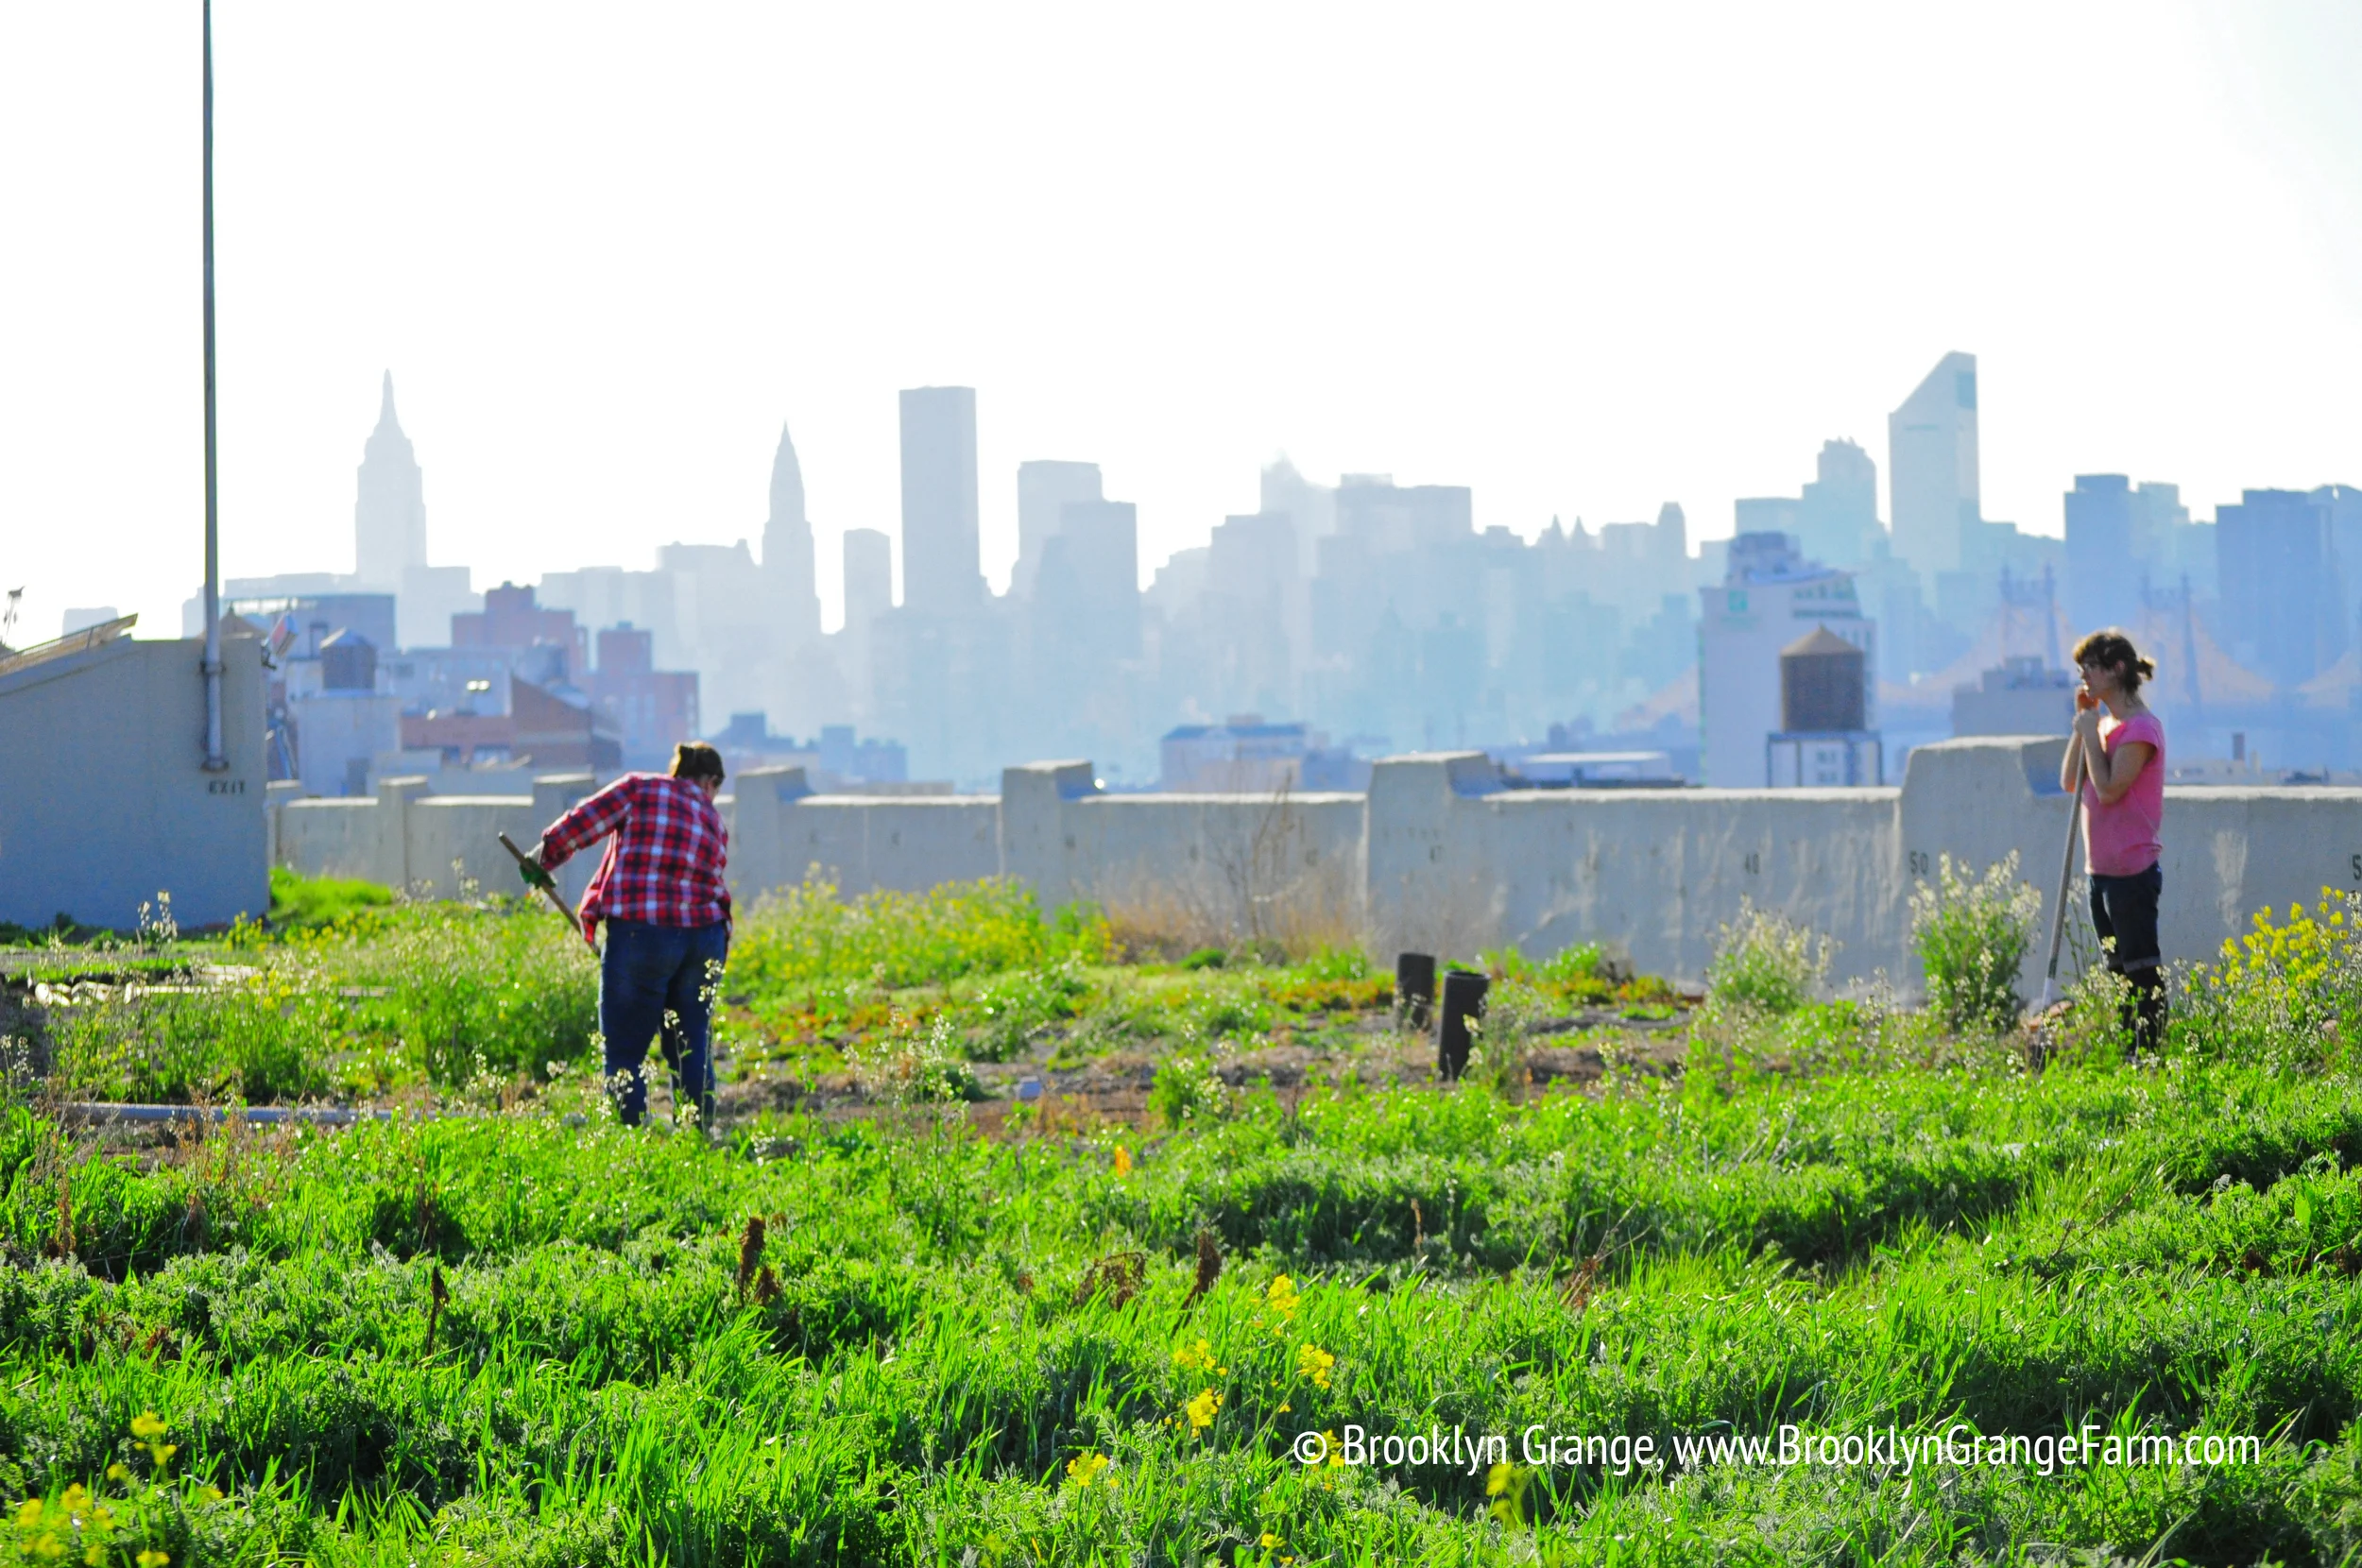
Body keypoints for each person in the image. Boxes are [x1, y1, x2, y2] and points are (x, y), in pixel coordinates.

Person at [521, 741, 731, 1128]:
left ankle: (630, 1140)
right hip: (705, 937)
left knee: (624, 1051)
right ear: (711, 781)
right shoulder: (713, 819)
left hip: (642, 934)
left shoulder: (641, 788)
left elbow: (585, 821)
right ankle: (699, 1138)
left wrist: (542, 856)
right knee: (692, 1045)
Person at [2061, 628, 2165, 1052]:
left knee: (2141, 968)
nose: (2083, 674)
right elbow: (2071, 781)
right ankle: (2128, 1052)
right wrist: (2082, 726)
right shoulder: (2103, 726)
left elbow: (2107, 790)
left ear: (2117, 669)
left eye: (2091, 666)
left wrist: (2090, 734)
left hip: (2132, 870)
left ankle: (2150, 1053)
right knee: (2117, 970)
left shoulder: (2140, 730)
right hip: (2099, 871)